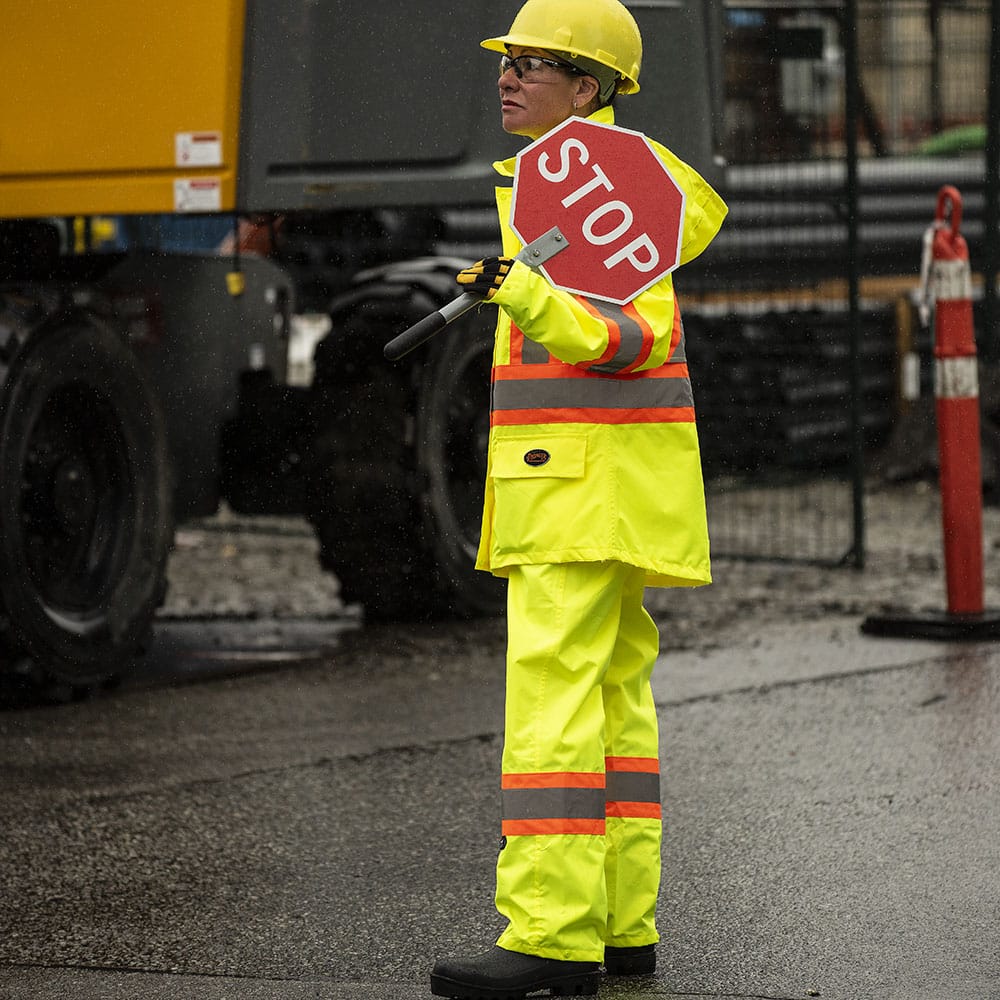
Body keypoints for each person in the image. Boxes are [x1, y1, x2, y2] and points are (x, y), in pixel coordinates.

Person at [430, 1, 727, 997]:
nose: (508, 77)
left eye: (534, 63)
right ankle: (616, 926)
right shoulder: (589, 181)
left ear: (588, 87)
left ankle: (550, 937)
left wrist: (522, 294)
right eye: (506, 61)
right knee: (611, 705)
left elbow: (625, 333)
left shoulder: (603, 185)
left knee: (551, 707)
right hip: (606, 488)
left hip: (574, 490)